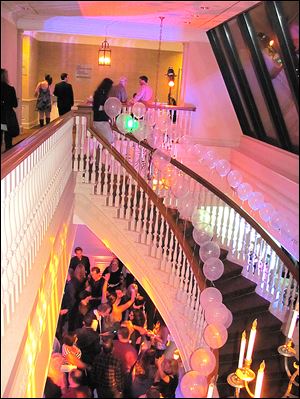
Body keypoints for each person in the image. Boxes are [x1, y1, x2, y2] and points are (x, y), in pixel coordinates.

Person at [1, 68, 19, 151]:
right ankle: (8, 153)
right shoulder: (10, 89)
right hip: (6, 117)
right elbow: (15, 104)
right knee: (8, 136)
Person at [93, 77, 115, 144]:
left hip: (101, 118)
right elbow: (97, 107)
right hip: (100, 118)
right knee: (109, 137)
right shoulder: (100, 94)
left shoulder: (100, 93)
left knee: (108, 137)